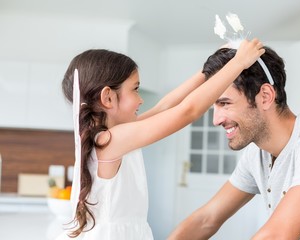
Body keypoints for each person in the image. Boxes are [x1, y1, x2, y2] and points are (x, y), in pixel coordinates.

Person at [55, 39, 264, 239]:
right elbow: (187, 112)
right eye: (135, 89)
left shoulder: (112, 137)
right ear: (108, 97)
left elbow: (164, 107)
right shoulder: (110, 141)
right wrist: (238, 63)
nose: (140, 98)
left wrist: (208, 70)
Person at [168, 47, 300, 239]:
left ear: (266, 96)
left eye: (224, 103)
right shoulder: (257, 154)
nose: (216, 120)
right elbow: (207, 219)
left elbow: (277, 235)